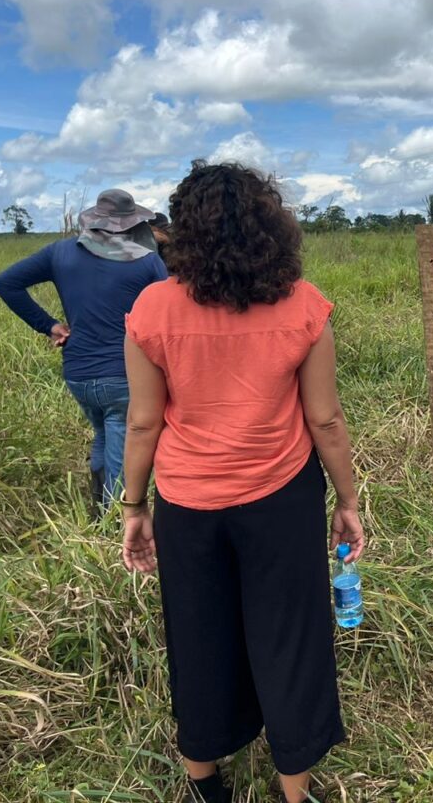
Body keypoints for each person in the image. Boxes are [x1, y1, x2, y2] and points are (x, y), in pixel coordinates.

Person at [119, 162, 364, 803]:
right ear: (270, 226)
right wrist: (348, 498)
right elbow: (326, 419)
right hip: (280, 497)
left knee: (197, 632)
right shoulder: (302, 304)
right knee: (290, 635)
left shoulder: (151, 308)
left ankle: (204, 780)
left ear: (181, 231)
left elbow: (143, 424)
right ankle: (293, 790)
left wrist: (134, 507)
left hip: (185, 500)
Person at [0, 189, 166, 514]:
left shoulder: (60, 252)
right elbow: (169, 311)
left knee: (101, 434)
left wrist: (49, 325)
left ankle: (98, 509)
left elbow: (5, 283)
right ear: (132, 223)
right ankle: (114, 525)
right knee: (121, 448)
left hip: (79, 373)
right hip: (125, 374)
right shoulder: (147, 260)